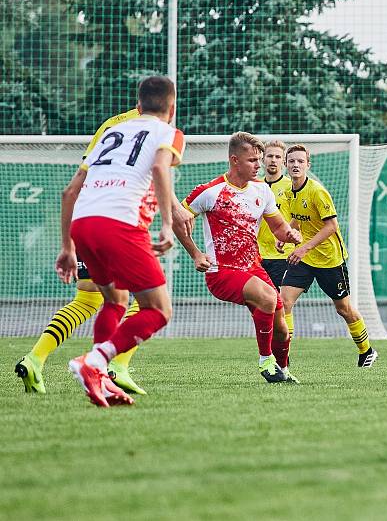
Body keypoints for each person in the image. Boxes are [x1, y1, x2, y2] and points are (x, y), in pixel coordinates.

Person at [55, 75, 186, 407]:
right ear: (171, 108)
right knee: (158, 310)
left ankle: (101, 380)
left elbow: (70, 191)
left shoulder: (110, 133)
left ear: (138, 105)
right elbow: (159, 168)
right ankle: (95, 362)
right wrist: (168, 225)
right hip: (119, 224)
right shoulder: (169, 133)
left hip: (83, 225)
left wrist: (68, 247)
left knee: (115, 301)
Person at [173, 132, 303, 384]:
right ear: (235, 160)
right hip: (221, 271)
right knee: (267, 298)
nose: (259, 165)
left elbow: (278, 228)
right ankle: (266, 361)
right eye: (253, 160)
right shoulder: (210, 191)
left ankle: (284, 372)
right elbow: (178, 219)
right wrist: (196, 253)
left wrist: (290, 234)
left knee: (281, 327)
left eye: (260, 159)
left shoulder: (262, 190)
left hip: (253, 267)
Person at [279, 144, 378, 368]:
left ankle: (367, 351)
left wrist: (304, 247)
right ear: (286, 164)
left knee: (343, 309)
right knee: (284, 302)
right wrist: (285, 234)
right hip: (304, 259)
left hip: (329, 259)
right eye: (292, 161)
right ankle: (283, 357)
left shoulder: (316, 190)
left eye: (300, 161)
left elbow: (331, 226)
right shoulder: (289, 191)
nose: (295, 165)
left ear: (307, 165)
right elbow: (298, 217)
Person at [256, 140, 297, 370]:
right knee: (266, 308)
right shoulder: (255, 186)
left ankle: (284, 357)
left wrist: (291, 236)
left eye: (277, 157)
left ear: (283, 161)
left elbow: (301, 217)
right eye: (269, 156)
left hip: (284, 256)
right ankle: (271, 354)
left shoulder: (291, 187)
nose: (272, 160)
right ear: (263, 160)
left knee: (283, 306)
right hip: (259, 256)